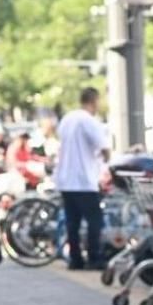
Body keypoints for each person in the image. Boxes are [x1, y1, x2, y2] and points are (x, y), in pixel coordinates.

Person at [54, 87, 111, 271]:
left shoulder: (67, 119)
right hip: (84, 180)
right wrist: (107, 159)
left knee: (73, 222)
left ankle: (75, 259)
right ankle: (95, 257)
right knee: (95, 220)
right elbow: (104, 148)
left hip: (65, 179)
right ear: (94, 101)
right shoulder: (88, 121)